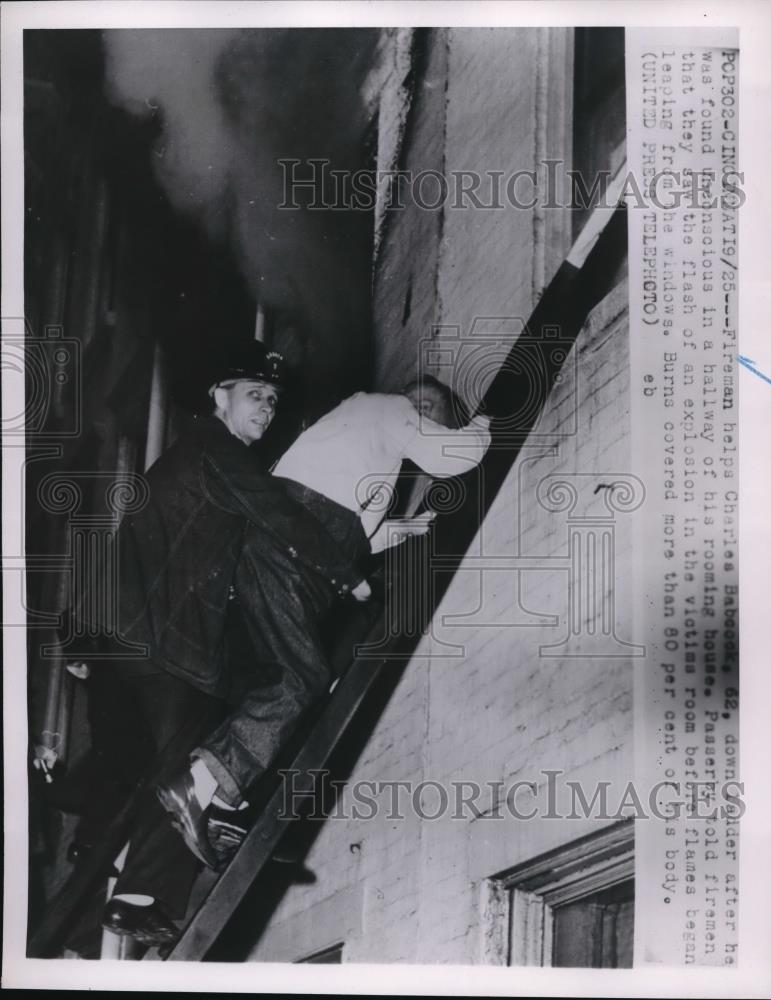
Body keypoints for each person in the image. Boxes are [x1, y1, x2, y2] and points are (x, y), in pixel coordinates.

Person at [72, 341, 372, 947]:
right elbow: (279, 517)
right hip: (156, 645)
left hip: (141, 644)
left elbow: (126, 539)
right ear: (220, 397)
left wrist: (77, 630)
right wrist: (350, 575)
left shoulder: (194, 456)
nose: (266, 408)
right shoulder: (216, 451)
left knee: (180, 767)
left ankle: (136, 897)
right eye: (255, 395)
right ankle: (225, 813)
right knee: (274, 694)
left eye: (273, 400)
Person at [156, 374, 492, 882]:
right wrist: (489, 424)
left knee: (288, 681)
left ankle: (219, 800)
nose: (430, 429)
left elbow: (356, 532)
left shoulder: (360, 438)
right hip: (289, 557)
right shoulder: (386, 408)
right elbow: (456, 458)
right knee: (303, 678)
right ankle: (201, 781)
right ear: (421, 405)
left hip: (293, 555)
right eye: (435, 417)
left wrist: (408, 528)